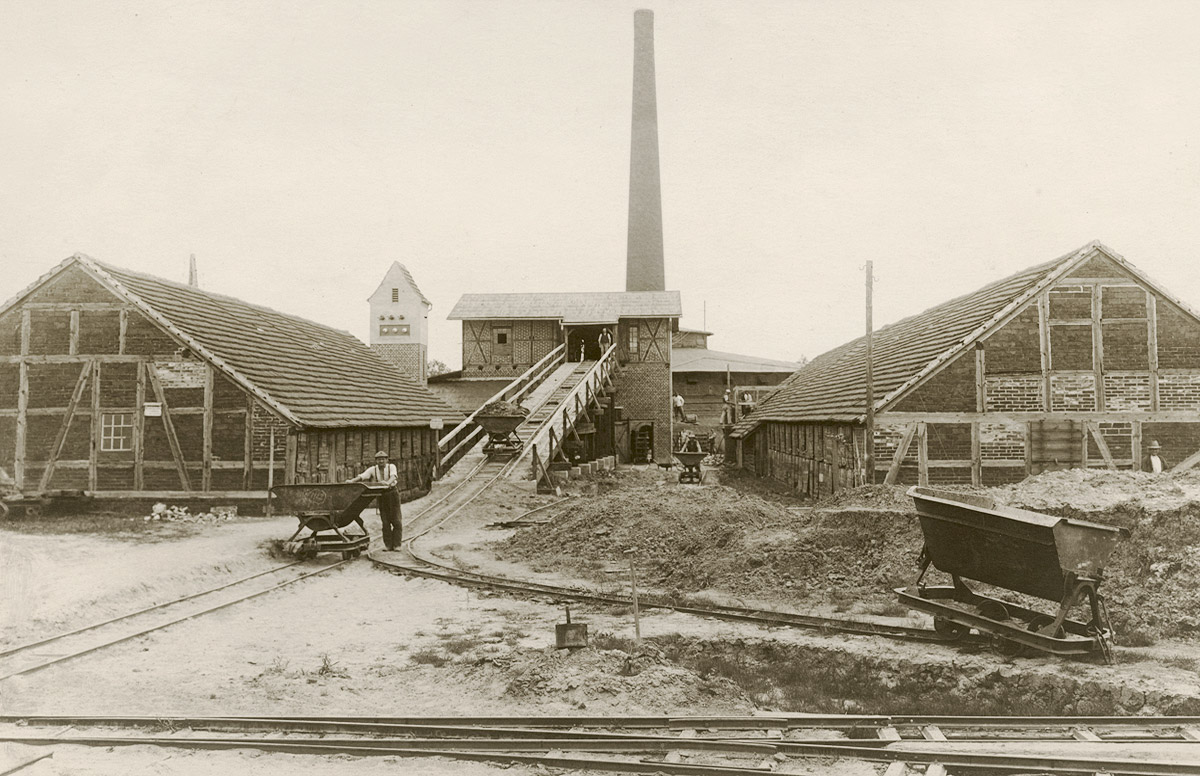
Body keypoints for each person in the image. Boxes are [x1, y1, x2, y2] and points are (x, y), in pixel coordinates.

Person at [347, 451, 402, 550]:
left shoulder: (391, 467)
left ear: (386, 460)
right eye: (379, 459)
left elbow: (393, 476)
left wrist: (387, 483)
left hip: (392, 494)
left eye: (383, 459)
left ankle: (397, 545)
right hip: (382, 495)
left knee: (396, 520)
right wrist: (352, 481)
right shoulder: (373, 469)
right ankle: (388, 545)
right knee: (385, 522)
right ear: (376, 461)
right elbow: (362, 476)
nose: (381, 461)